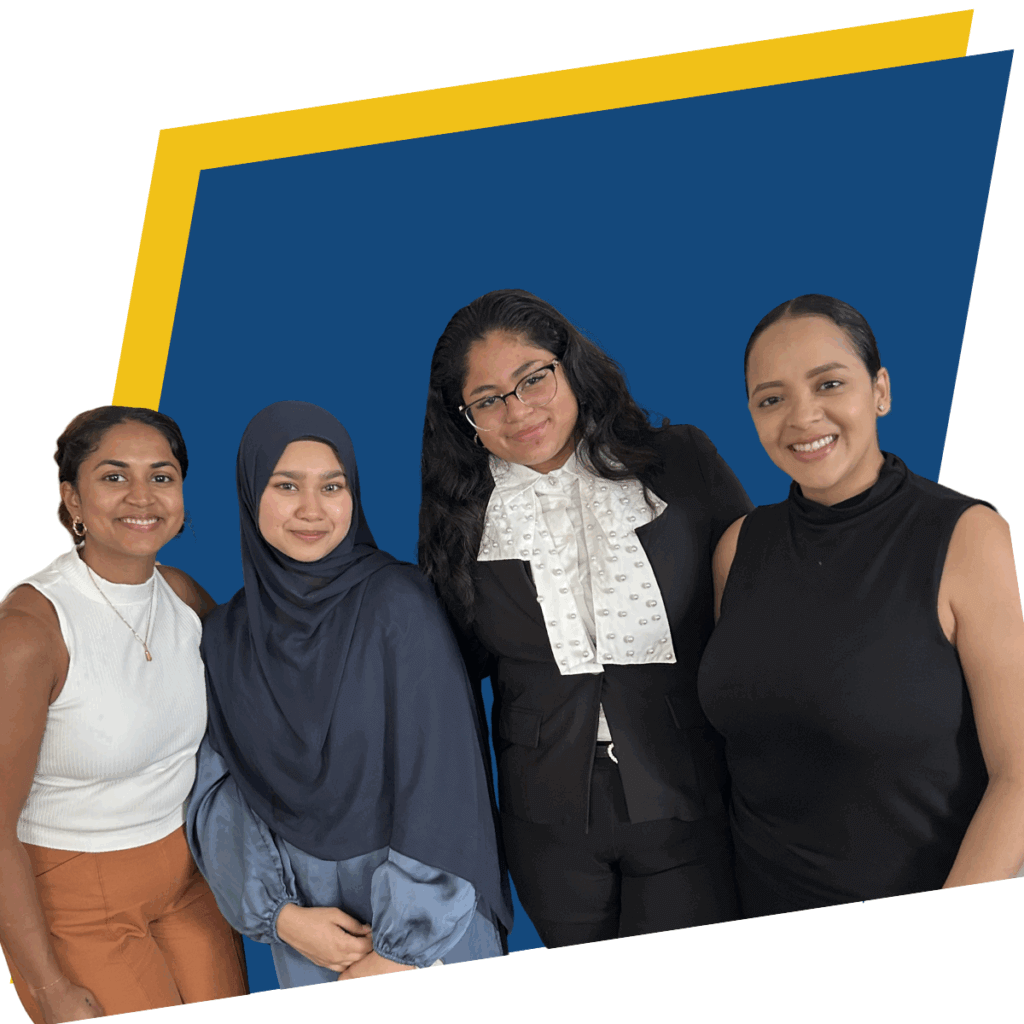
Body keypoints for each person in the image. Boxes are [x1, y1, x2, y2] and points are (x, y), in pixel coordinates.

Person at [418, 288, 752, 948]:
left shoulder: (681, 461)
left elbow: (755, 610)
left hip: (685, 790)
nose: (518, 411)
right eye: (488, 399)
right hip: (547, 820)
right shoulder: (462, 515)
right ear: (465, 418)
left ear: (570, 365)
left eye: (533, 378)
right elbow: (452, 675)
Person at [697, 294, 1024, 917]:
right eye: (772, 398)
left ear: (880, 391)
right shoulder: (740, 547)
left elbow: (1020, 777)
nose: (802, 416)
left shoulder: (965, 535)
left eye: (829, 384)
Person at [187, 400, 512, 988]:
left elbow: (443, 781)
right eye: (286, 485)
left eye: (331, 486)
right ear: (250, 492)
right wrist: (280, 917)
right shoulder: (227, 636)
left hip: (430, 933)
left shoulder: (398, 603)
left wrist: (396, 953)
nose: (312, 510)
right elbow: (219, 790)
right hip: (312, 934)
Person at [0, 406, 248, 1024]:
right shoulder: (31, 633)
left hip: (189, 874)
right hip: (75, 897)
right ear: (72, 498)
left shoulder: (182, 595)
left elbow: (265, 686)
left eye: (161, 477)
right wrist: (48, 985)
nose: (142, 496)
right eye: (114, 477)